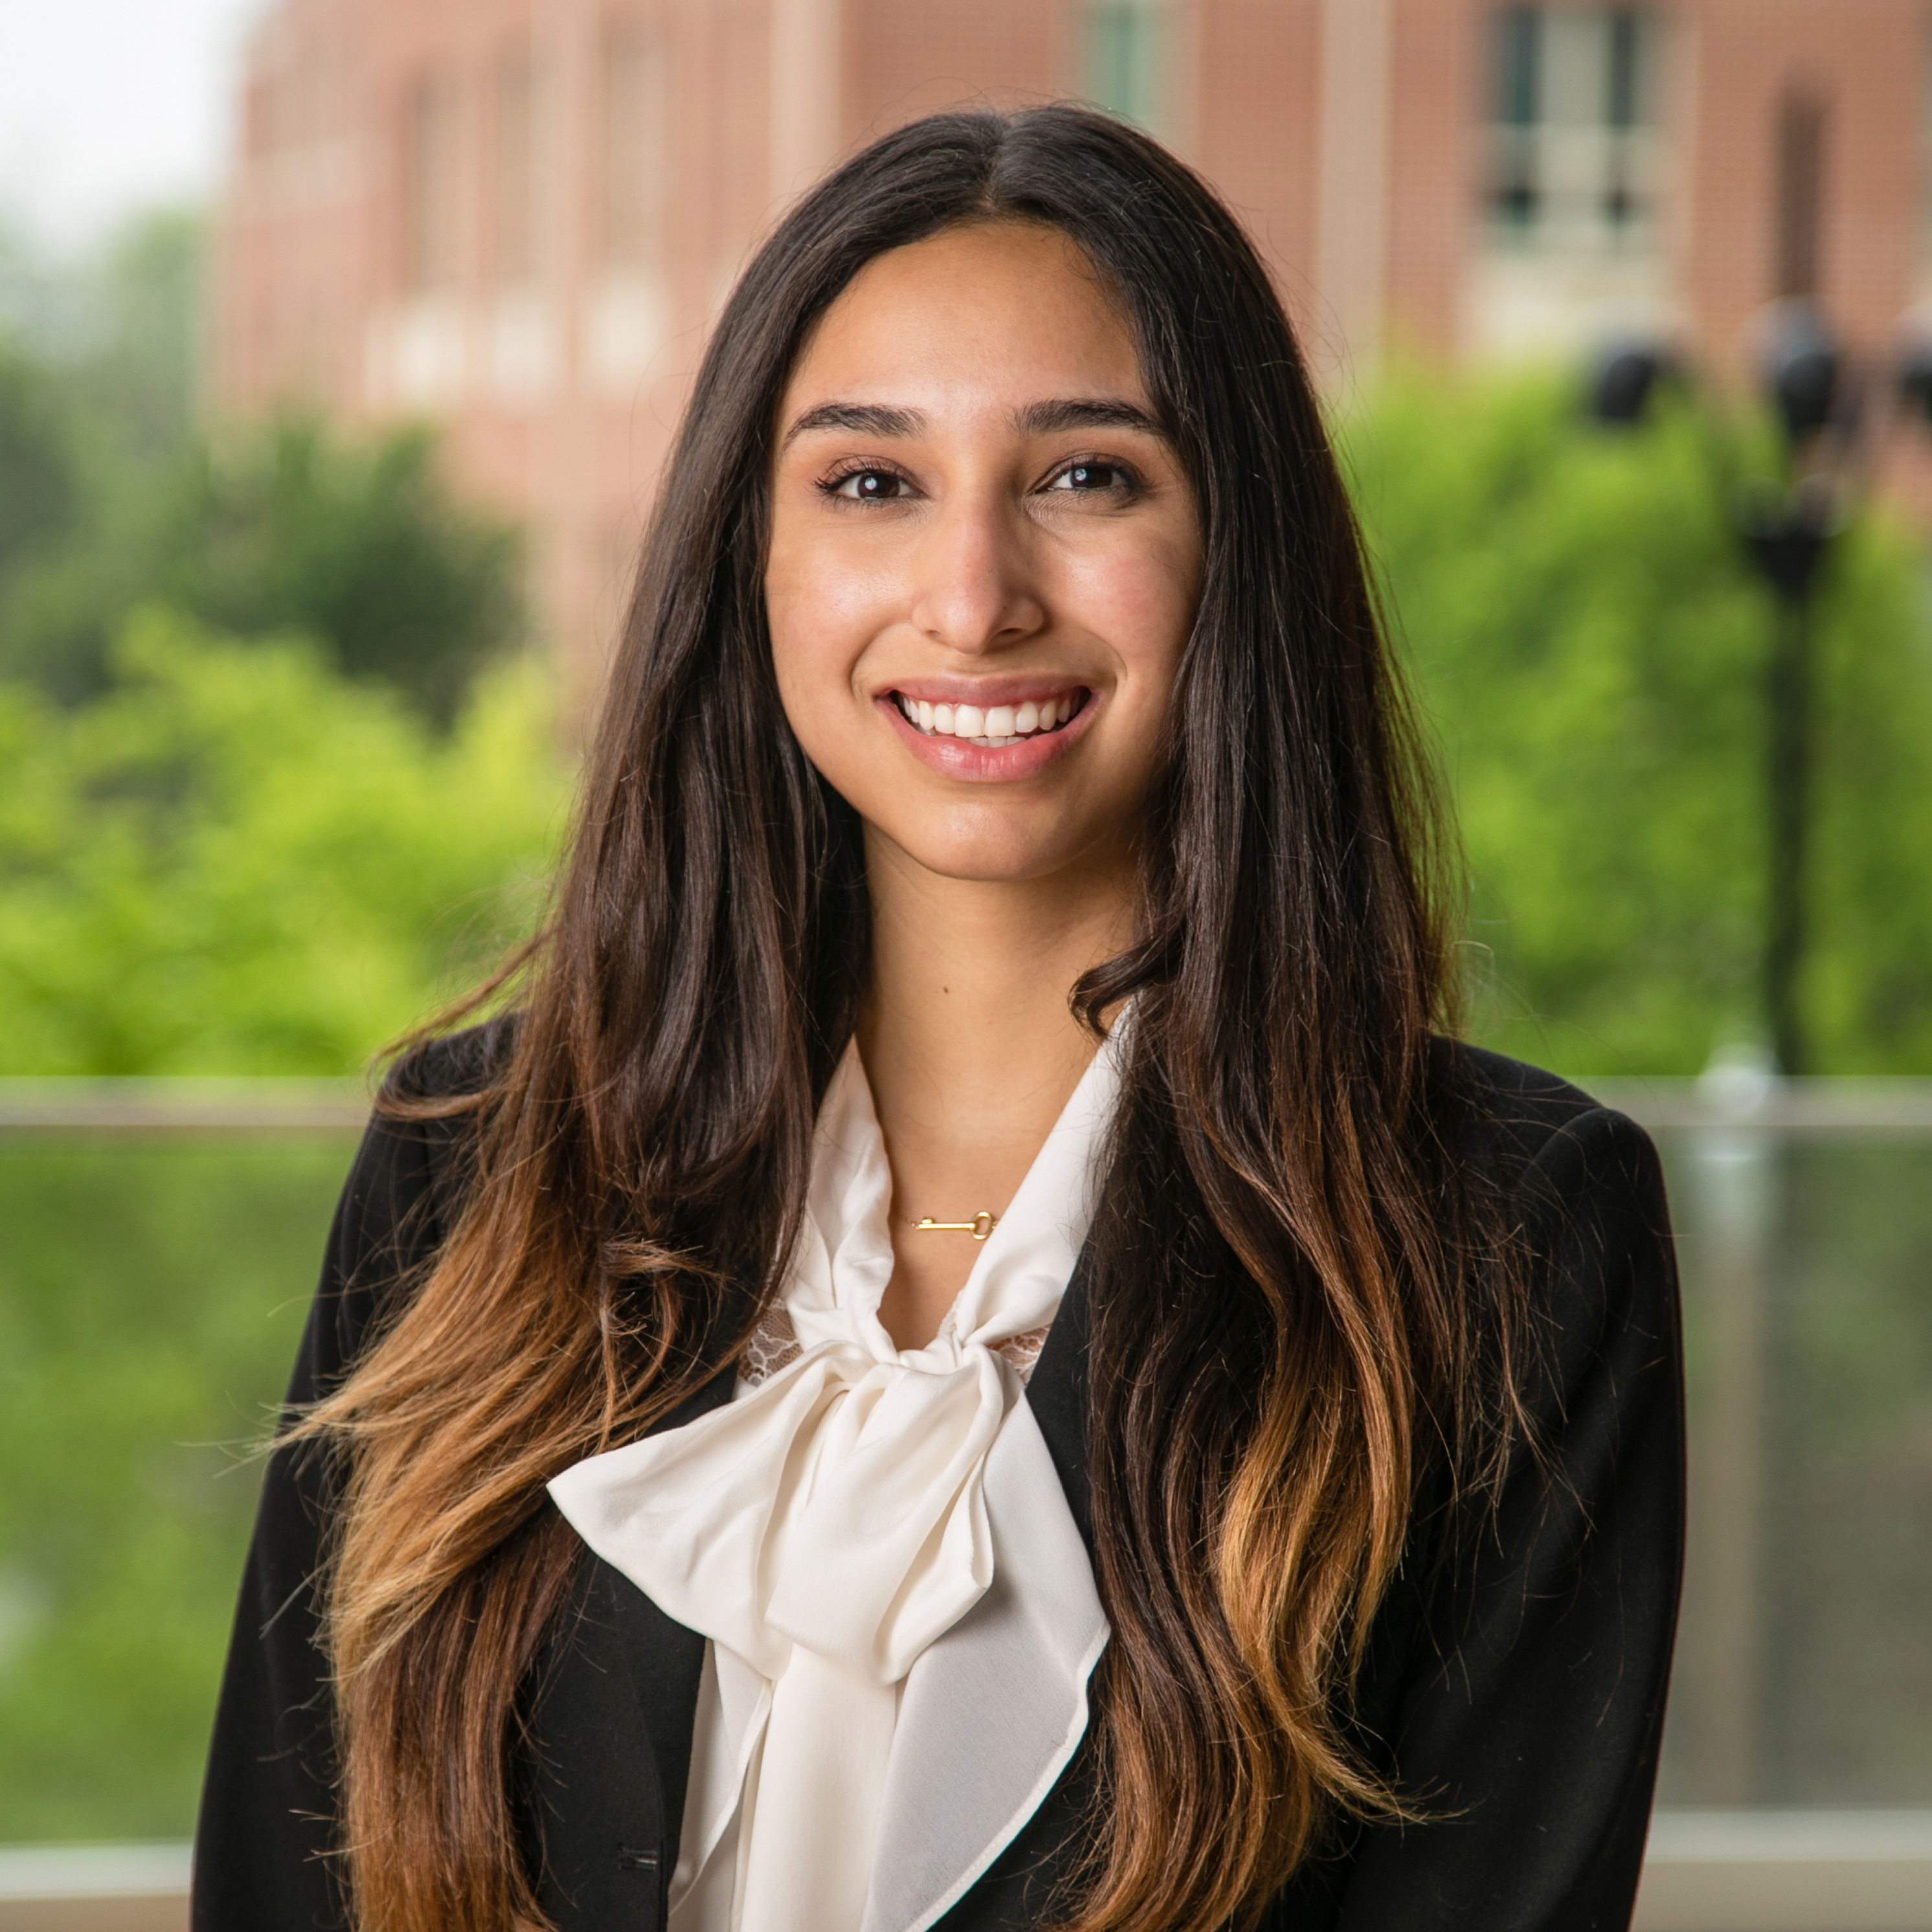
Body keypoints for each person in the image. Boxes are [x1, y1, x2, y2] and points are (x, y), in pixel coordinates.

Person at [192, 106, 1683, 1932]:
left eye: (1088, 477)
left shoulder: (1504, 1236)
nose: (974, 599)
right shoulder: (476, 1172)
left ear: (1240, 549)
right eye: (872, 483)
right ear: (753, 560)